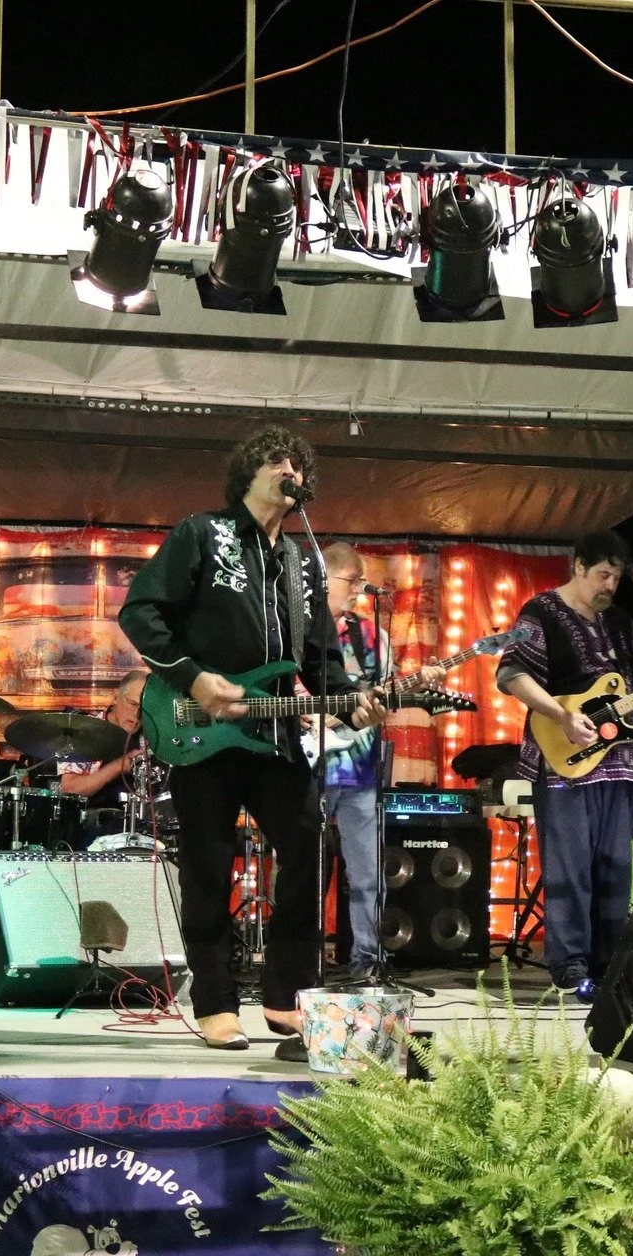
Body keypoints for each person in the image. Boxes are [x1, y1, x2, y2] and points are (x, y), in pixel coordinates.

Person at [118, 426, 386, 1049]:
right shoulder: (201, 534)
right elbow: (140, 611)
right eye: (275, 459)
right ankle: (215, 1001)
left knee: (309, 847)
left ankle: (285, 994)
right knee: (210, 864)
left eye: (296, 462)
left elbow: (318, 661)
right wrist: (191, 677)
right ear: (249, 473)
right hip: (202, 731)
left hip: (276, 736)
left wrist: (354, 704)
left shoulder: (301, 561)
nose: (288, 468)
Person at [497, 530, 633, 993]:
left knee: (615, 868)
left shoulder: (622, 624)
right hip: (561, 758)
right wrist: (561, 714)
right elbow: (511, 673)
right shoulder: (540, 612)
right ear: (578, 566)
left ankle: (610, 964)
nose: (609, 586)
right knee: (570, 867)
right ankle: (571, 966)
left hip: (617, 762)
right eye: (603, 575)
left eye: (616, 579)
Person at [314, 542, 444, 981]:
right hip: (304, 767)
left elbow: (382, 701)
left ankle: (365, 964)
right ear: (324, 577)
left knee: (367, 874)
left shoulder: (373, 636)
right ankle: (299, 962)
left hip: (360, 770)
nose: (357, 589)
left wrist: (411, 688)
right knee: (302, 873)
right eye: (350, 580)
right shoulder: (294, 627)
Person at [59, 670, 150, 805]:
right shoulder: (85, 730)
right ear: (115, 697)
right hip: (94, 818)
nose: (137, 714)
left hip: (139, 820)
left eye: (144, 708)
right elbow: (70, 788)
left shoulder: (151, 736)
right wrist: (119, 766)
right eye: (132, 704)